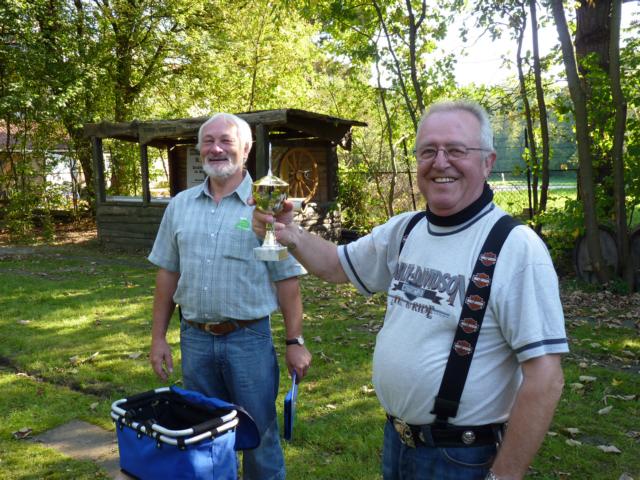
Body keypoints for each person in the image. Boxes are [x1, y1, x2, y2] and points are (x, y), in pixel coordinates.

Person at [252, 100, 568, 480]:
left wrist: (502, 477)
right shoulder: (407, 229)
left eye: (456, 150)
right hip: (398, 443)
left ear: (488, 162)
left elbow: (545, 378)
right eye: (428, 151)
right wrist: (291, 234)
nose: (440, 162)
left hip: (461, 459)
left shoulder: (516, 248)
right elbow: (336, 265)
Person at [148, 112, 312, 480]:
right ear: (199, 149)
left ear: (246, 149)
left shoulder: (267, 206)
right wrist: (158, 338)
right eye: (208, 141)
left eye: (226, 140)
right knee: (204, 434)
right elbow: (167, 274)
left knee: (259, 437)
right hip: (194, 339)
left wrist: (294, 341)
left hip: (248, 340)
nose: (216, 148)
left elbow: (287, 280)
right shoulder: (180, 206)